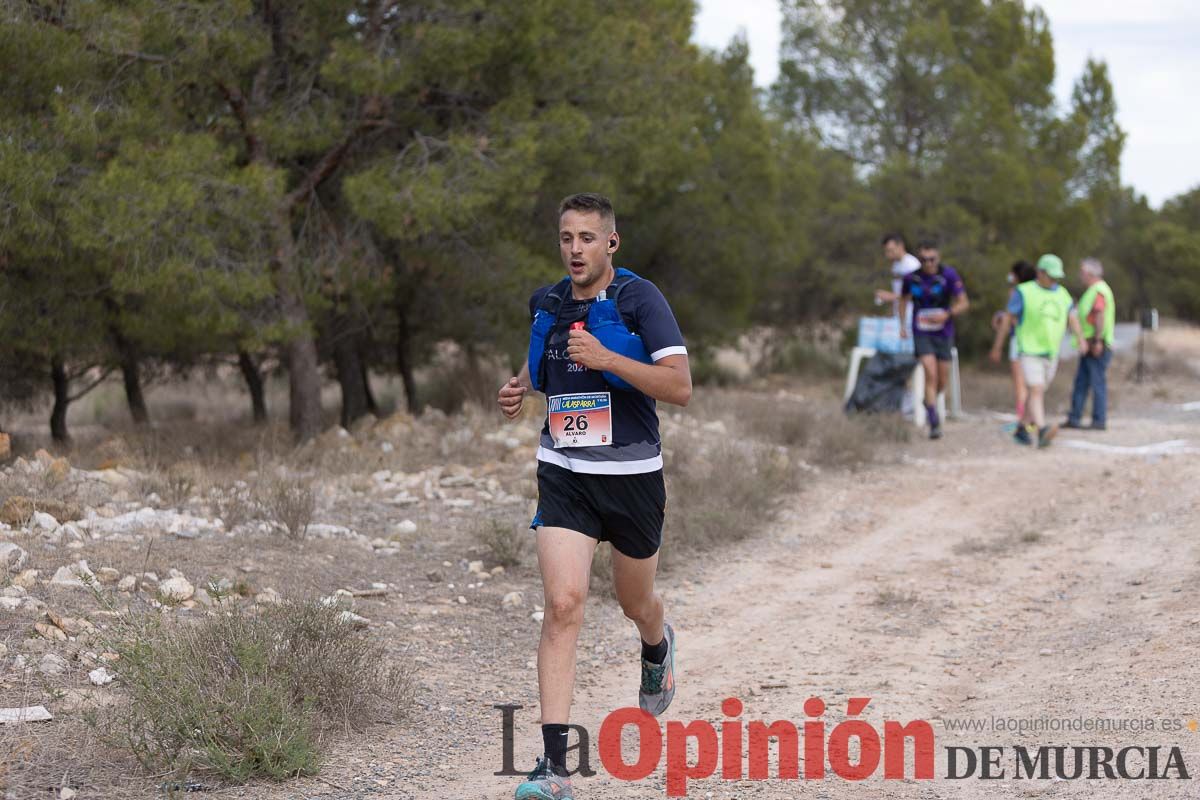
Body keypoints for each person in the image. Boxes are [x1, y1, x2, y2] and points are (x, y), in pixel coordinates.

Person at [497, 193, 691, 800]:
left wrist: (609, 358)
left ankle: (656, 645)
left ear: (611, 243)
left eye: (587, 238)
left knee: (636, 602)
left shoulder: (641, 300)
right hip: (565, 472)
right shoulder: (548, 303)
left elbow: (680, 386)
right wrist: (519, 389)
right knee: (563, 605)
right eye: (565, 238)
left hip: (633, 477)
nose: (575, 250)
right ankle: (552, 768)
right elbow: (549, 366)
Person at [989, 253, 1086, 448]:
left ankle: (1022, 428)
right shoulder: (1024, 292)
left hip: (1051, 352)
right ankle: (1041, 430)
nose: (1054, 280)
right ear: (1040, 273)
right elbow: (1008, 319)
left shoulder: (1062, 294)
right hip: (1029, 349)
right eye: (1051, 276)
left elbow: (1072, 318)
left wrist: (1080, 339)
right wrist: (998, 346)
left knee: (1038, 391)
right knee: (1036, 389)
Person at [898, 239, 969, 439]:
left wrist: (947, 314)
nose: (928, 263)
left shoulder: (949, 275)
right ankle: (934, 421)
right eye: (924, 260)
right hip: (921, 332)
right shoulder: (911, 278)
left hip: (943, 332)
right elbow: (902, 300)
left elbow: (964, 302)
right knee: (931, 374)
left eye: (932, 259)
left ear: (938, 257)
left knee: (941, 380)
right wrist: (902, 325)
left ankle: (928, 402)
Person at [1065, 258, 1116, 430]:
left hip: (1095, 344)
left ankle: (1098, 420)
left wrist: (1097, 341)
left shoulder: (1098, 290)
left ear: (1090, 274)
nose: (1080, 275)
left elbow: (1099, 314)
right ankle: (1075, 417)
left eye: (1082, 272)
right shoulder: (1094, 290)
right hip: (1089, 344)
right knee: (1081, 381)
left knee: (1096, 382)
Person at [992, 260, 1038, 422]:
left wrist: (997, 346)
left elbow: (1011, 320)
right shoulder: (1038, 292)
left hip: (1019, 342)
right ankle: (1031, 419)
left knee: (1020, 385)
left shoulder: (1018, 292)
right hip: (1037, 342)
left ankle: (1023, 421)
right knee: (1034, 386)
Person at [875, 233, 921, 320]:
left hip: (912, 316)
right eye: (886, 251)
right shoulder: (895, 265)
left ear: (901, 246)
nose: (888, 254)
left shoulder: (912, 264)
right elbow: (898, 291)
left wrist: (890, 296)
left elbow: (917, 293)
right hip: (900, 315)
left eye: (890, 250)